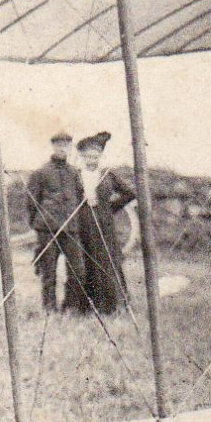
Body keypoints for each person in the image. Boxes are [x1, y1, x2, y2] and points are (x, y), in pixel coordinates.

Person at [73, 132, 137, 315]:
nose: (91, 160)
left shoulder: (108, 175)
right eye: (87, 156)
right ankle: (86, 306)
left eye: (95, 156)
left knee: (107, 261)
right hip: (82, 224)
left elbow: (129, 193)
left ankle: (112, 305)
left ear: (100, 156)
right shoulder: (76, 176)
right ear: (81, 156)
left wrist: (109, 207)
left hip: (104, 225)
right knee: (85, 261)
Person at [24, 131, 87, 312]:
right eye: (59, 145)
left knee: (78, 270)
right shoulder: (41, 172)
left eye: (66, 145)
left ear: (69, 148)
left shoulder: (75, 173)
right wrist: (39, 224)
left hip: (71, 230)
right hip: (48, 230)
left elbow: (80, 198)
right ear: (53, 146)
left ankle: (70, 306)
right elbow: (31, 202)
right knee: (48, 272)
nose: (62, 148)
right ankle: (49, 309)